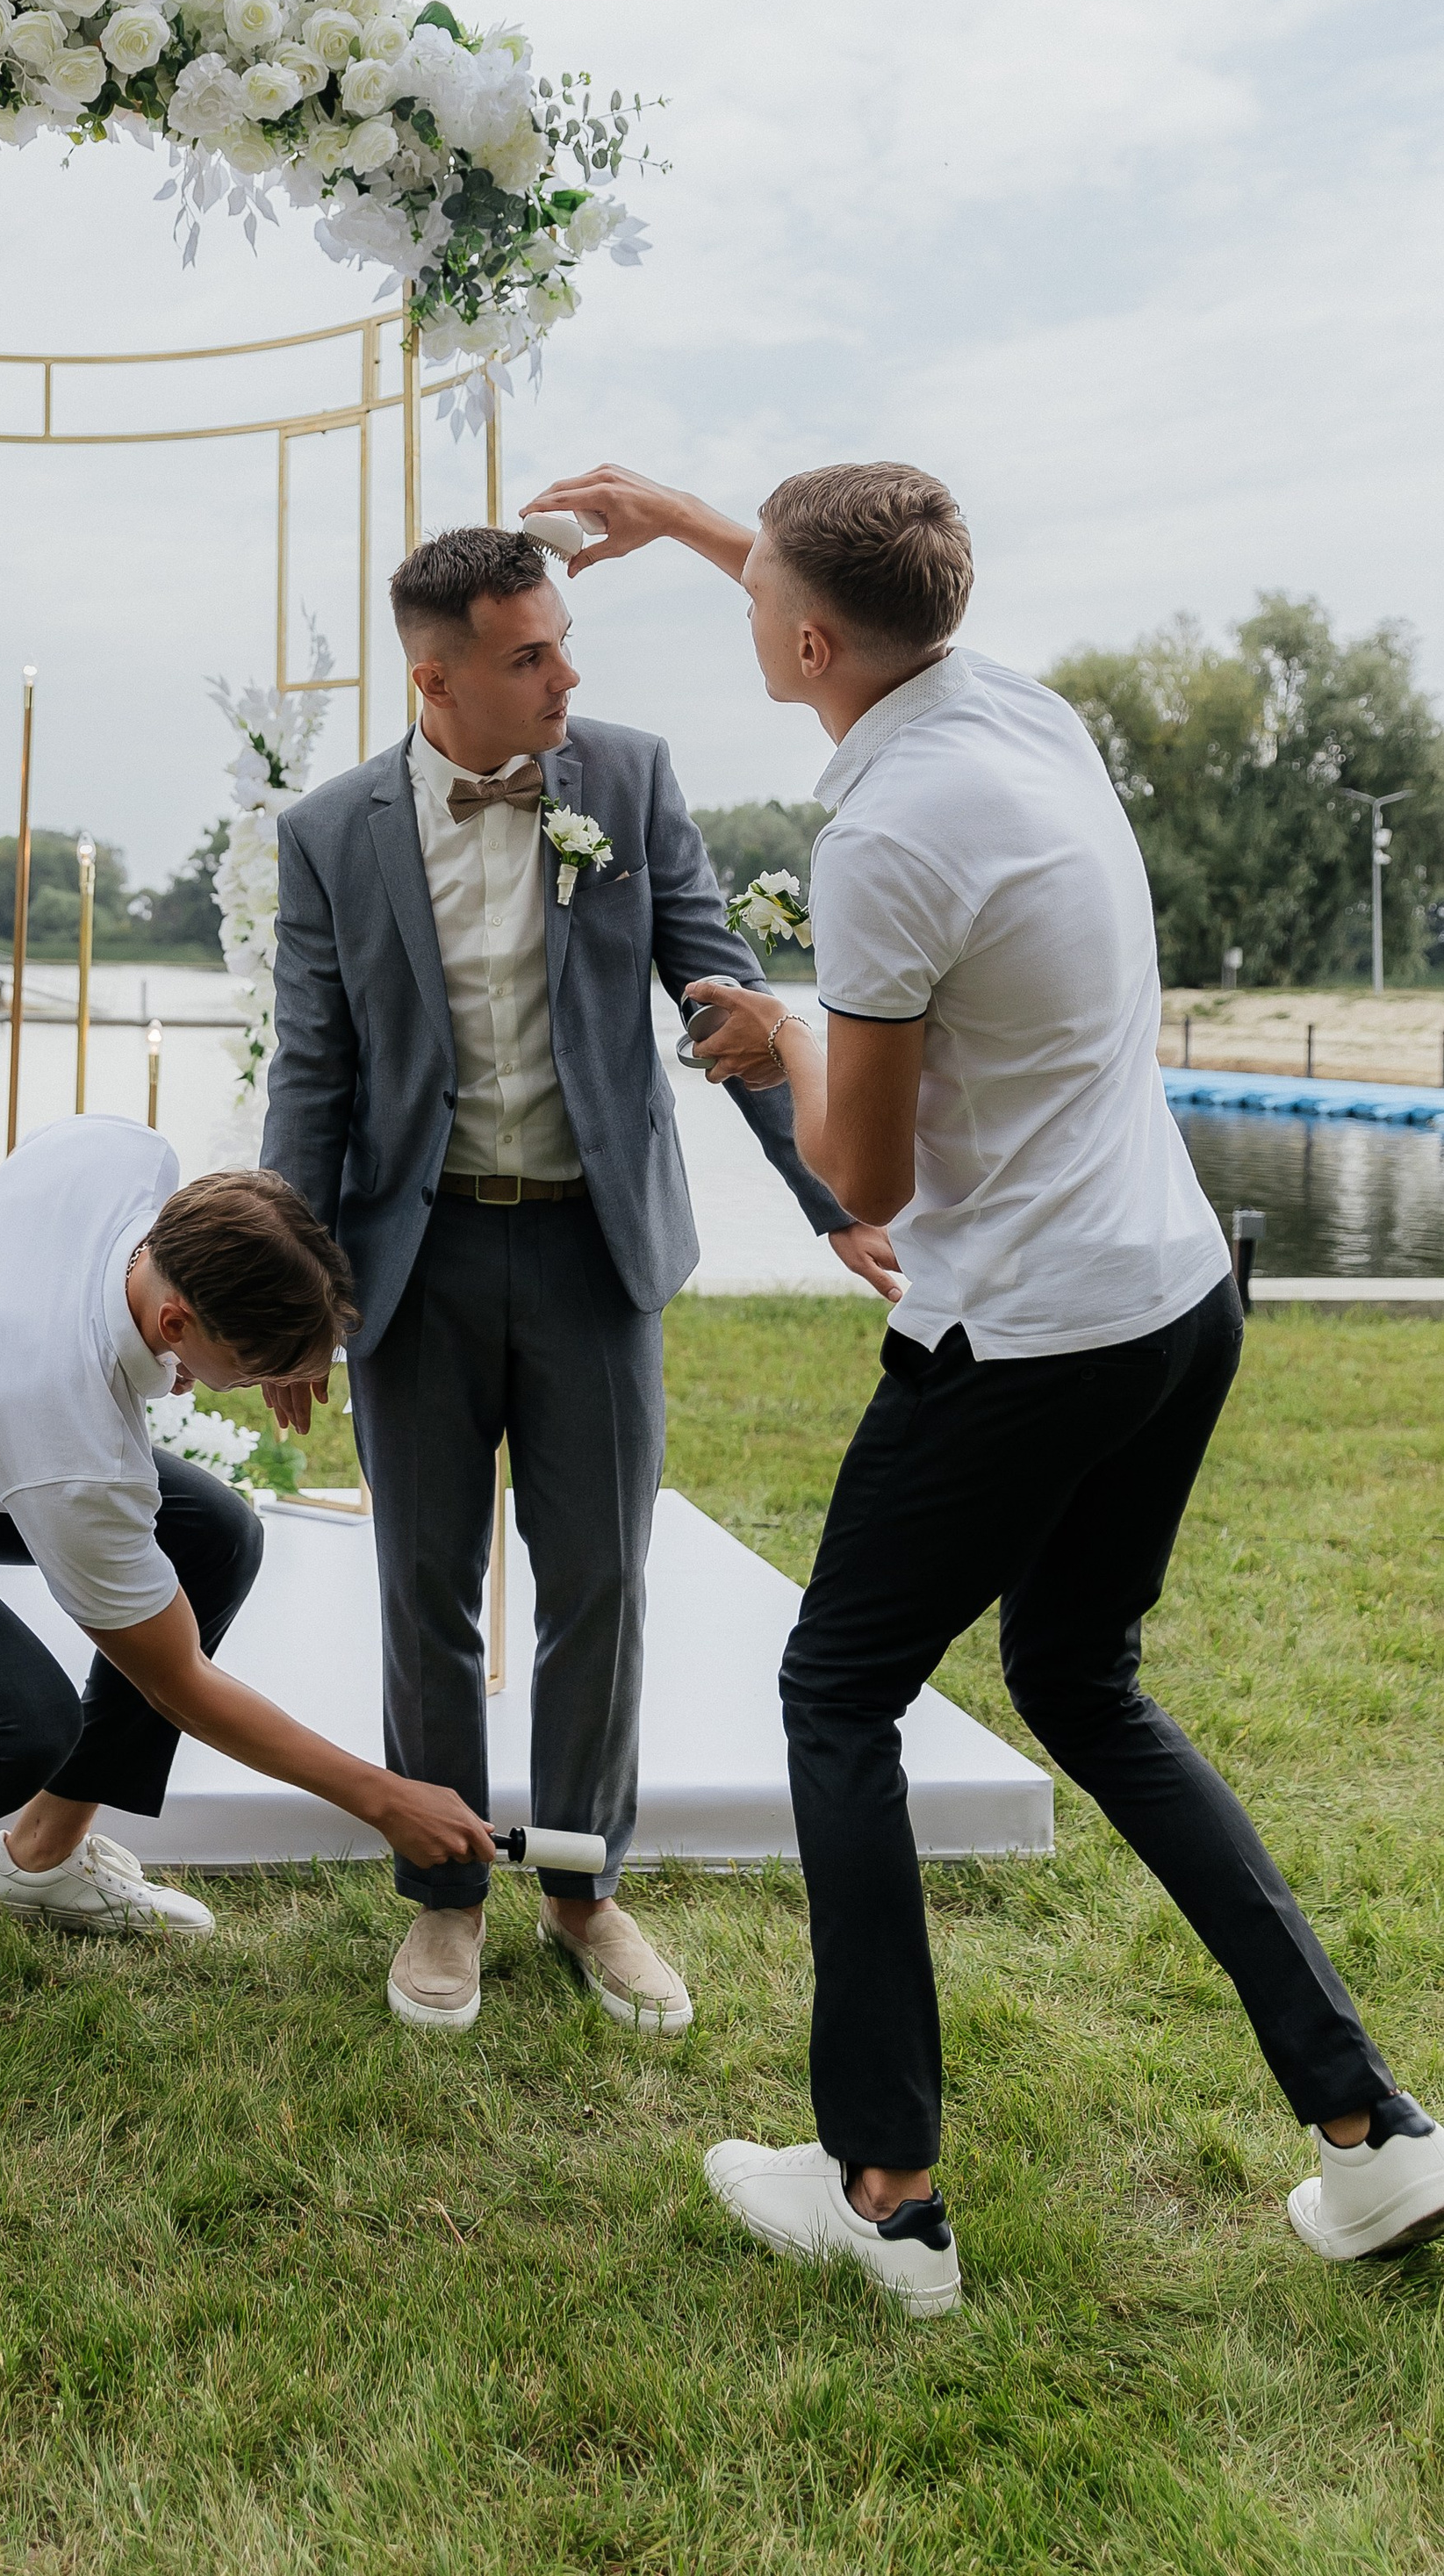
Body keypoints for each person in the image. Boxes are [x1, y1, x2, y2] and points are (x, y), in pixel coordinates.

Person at [523, 454, 1444, 2313]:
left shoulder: (882, 842)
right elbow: (847, 596)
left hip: (1024, 1336)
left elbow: (862, 1178)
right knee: (1081, 1681)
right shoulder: (1018, 712)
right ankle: (1375, 2133)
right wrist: (690, 523)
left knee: (835, 1692)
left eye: (756, 594)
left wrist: (782, 1036)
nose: (749, 606)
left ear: (806, 645)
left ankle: (885, 2195)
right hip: (1174, 1297)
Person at [260, 523, 898, 2039]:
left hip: (591, 1253)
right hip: (411, 1264)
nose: (566, 678)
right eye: (530, 656)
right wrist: (292, 1302)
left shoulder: (629, 777)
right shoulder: (330, 833)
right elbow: (312, 1075)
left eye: (564, 644)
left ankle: (581, 1885)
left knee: (601, 1580)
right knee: (423, 1586)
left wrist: (831, 1198)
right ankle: (445, 1893)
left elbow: (729, 998)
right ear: (439, 680)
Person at [0, 1114, 492, 2081]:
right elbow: (177, 1684)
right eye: (246, 1373)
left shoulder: (127, 1159)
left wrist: (291, 1329)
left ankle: (42, 1856)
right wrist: (383, 1797)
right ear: (176, 1324)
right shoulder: (72, 1444)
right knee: (14, 1720)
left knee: (214, 1534)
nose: (247, 1389)